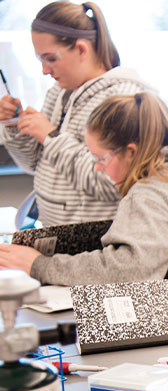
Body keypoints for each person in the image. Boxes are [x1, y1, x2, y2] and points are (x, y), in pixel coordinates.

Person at [0, 92, 168, 336]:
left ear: (131, 152)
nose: (97, 169)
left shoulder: (152, 192)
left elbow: (127, 272)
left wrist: (38, 265)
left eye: (100, 159)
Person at [0, 1, 152, 226]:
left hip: (92, 243)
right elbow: (34, 164)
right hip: (59, 235)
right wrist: (15, 125)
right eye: (39, 59)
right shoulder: (60, 92)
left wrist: (50, 137)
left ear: (81, 49)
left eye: (50, 58)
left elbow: (109, 183)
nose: (44, 70)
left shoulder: (121, 99)